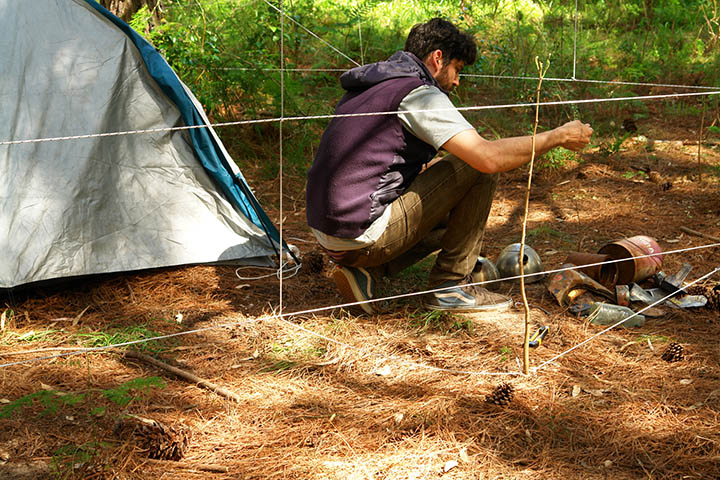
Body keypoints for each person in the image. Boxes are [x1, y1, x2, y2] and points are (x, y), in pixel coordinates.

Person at [306, 18, 593, 314]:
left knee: (454, 194)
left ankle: (368, 272)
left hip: (332, 236)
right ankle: (450, 287)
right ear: (437, 58)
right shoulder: (419, 95)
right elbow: (487, 157)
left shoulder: (371, 85)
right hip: (361, 235)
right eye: (457, 69)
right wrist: (557, 136)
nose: (457, 81)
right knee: (477, 168)